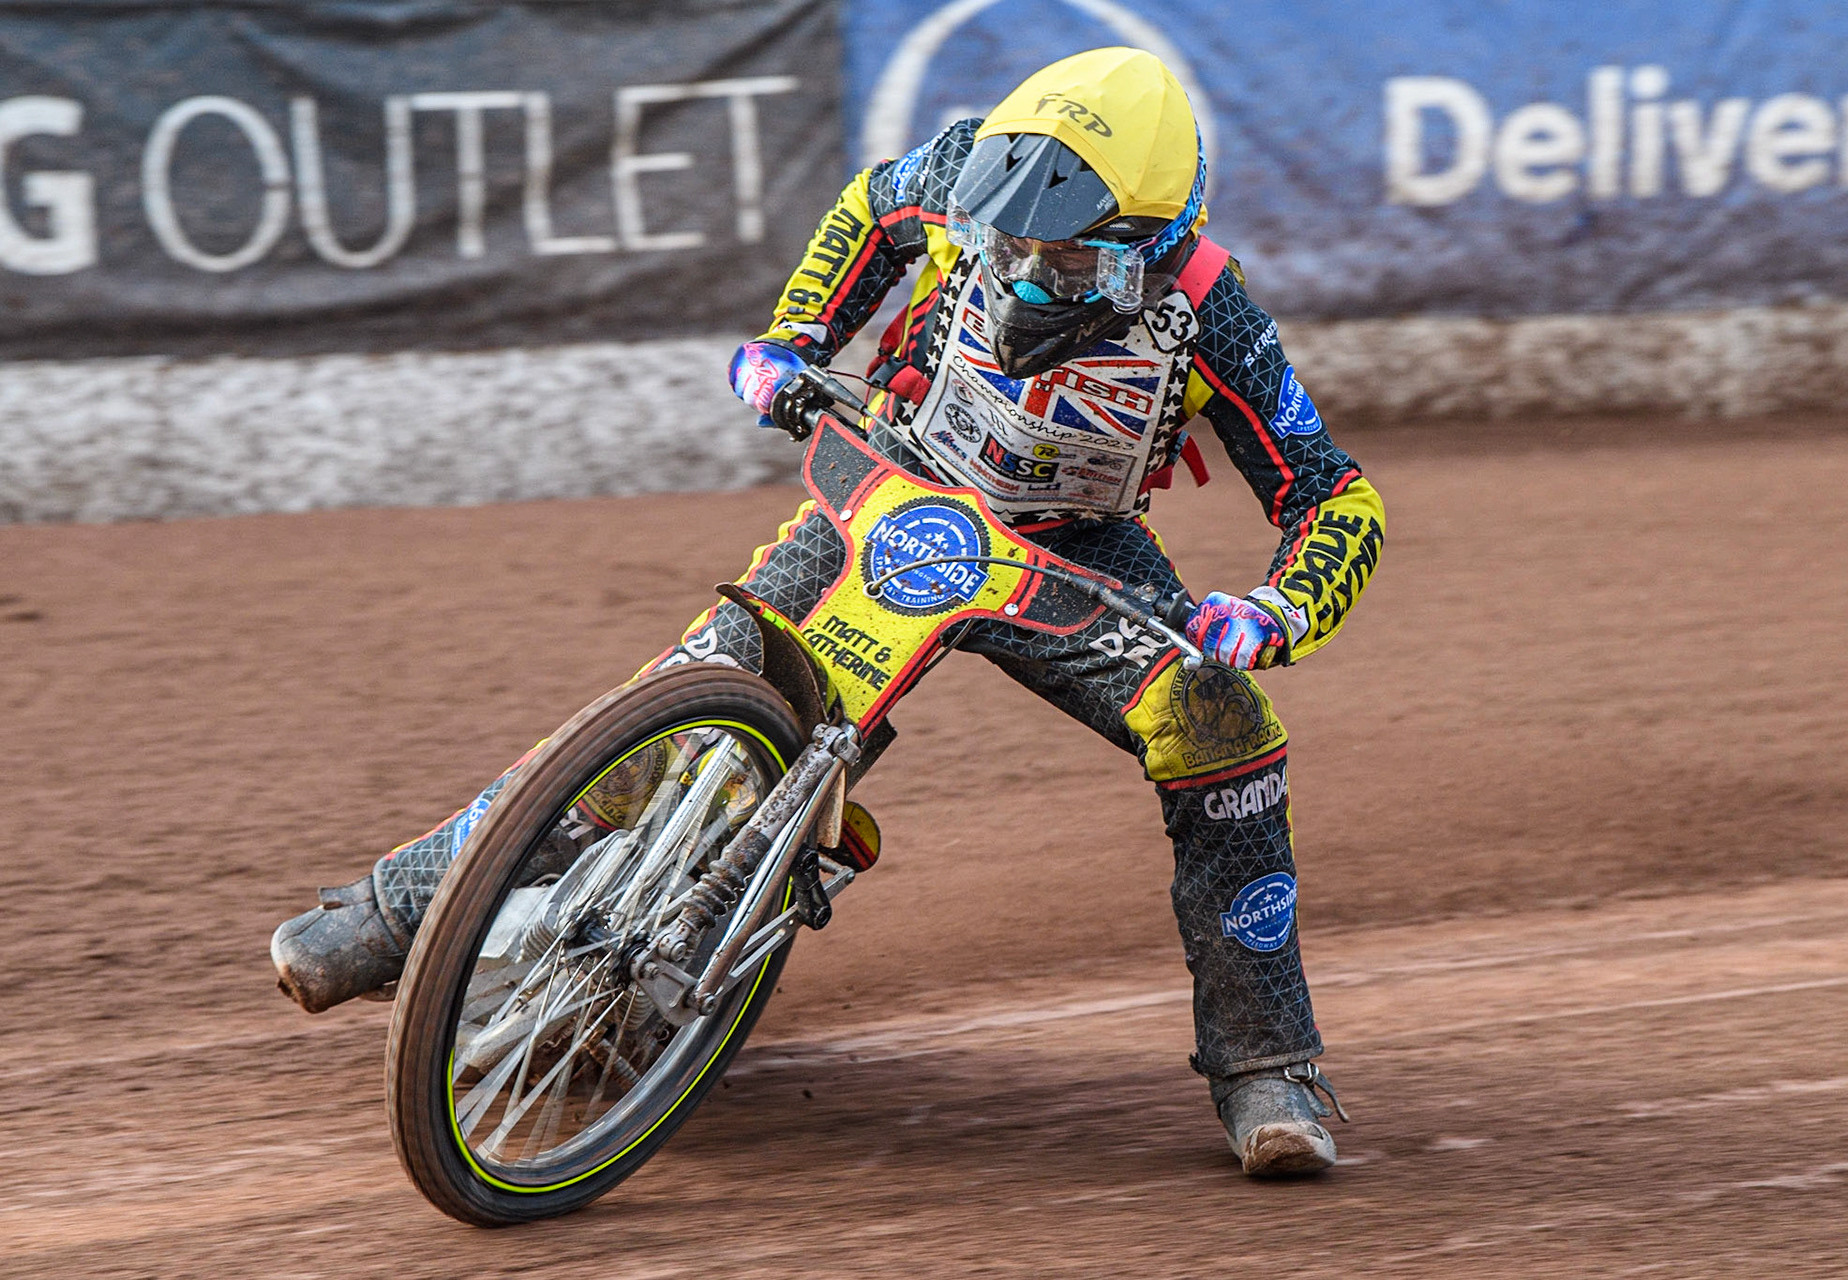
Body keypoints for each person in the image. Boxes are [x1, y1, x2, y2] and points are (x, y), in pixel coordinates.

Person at [272, 47, 1384, 1178]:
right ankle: (399, 905)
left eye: (1068, 259)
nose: (1029, 277)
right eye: (1008, 243)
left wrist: (1276, 609)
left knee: (1223, 726)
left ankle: (1267, 1068)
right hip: (899, 471)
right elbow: (867, 211)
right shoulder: (961, 171)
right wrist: (793, 341)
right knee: (699, 683)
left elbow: (1334, 493)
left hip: (1075, 543)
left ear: (1154, 246)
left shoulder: (1217, 316)